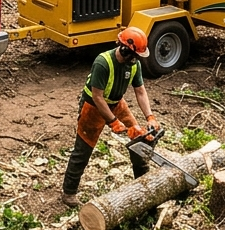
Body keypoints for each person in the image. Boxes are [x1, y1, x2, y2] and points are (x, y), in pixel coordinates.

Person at [60, 27, 159, 207]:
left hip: (117, 103)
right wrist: (113, 121)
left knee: (139, 139)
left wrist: (150, 116)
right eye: (134, 55)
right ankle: (69, 193)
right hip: (93, 106)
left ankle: (143, 181)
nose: (136, 59)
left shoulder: (134, 64)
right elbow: (97, 96)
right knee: (83, 150)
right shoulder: (103, 62)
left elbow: (140, 91)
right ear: (124, 49)